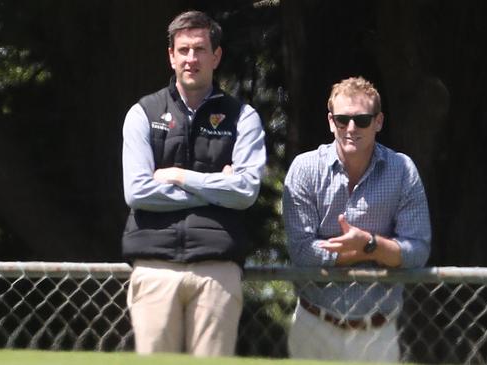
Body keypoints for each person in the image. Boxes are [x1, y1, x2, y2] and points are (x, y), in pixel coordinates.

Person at [121, 10, 266, 357]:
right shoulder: (142, 113)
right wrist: (218, 188)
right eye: (183, 50)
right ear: (171, 56)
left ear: (216, 56)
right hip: (155, 267)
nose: (191, 58)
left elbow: (245, 191)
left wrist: (181, 177)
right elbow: (138, 191)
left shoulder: (243, 118)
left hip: (217, 270)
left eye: (200, 49)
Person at [283, 76, 431, 362]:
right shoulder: (304, 169)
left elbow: (418, 250)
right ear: (330, 121)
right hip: (312, 325)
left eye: (362, 120)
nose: (351, 128)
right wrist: (371, 252)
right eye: (342, 119)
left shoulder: (402, 170)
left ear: (378, 122)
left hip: (377, 332)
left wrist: (369, 244)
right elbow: (301, 252)